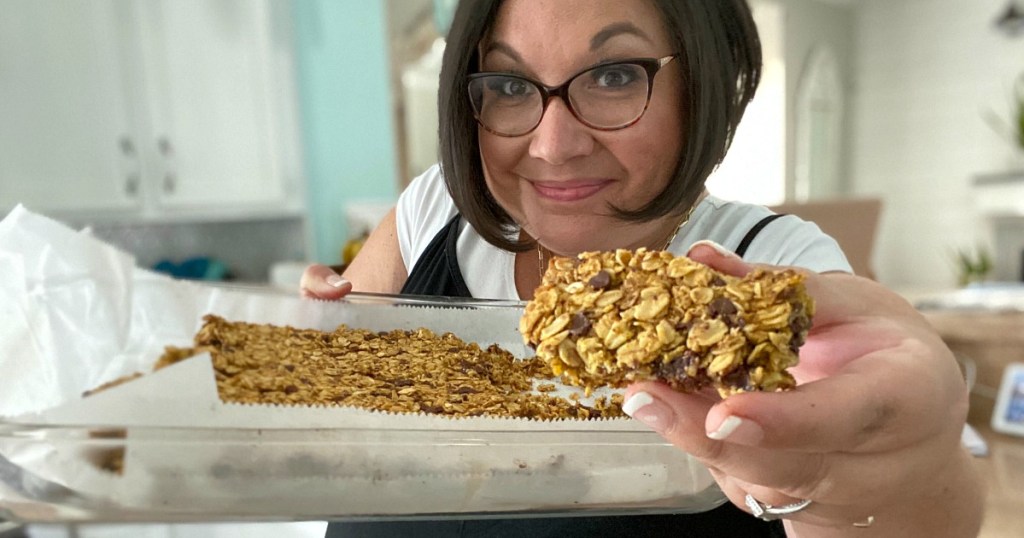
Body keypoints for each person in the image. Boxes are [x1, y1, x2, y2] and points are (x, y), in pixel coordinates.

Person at [301, 0, 984, 535]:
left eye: (614, 76)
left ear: (704, 83)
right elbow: (331, 406)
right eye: (509, 84)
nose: (552, 145)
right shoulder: (434, 209)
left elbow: (897, 508)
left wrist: (902, 477)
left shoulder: (770, 278)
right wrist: (311, 353)